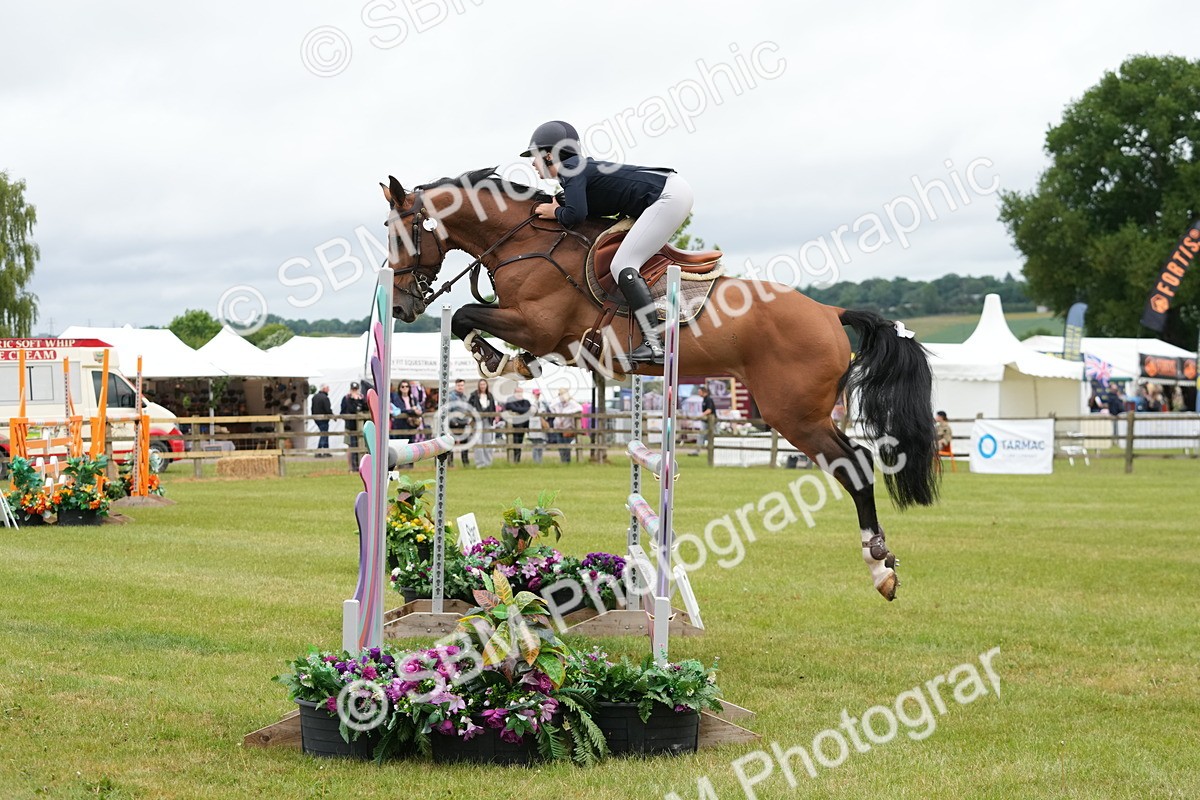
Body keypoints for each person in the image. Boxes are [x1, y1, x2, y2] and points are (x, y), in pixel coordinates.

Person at [523, 120, 694, 365]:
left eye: (535, 156)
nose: (532, 163)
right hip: (669, 191)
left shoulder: (571, 169)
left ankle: (654, 344)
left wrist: (555, 213)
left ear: (549, 155)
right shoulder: (575, 169)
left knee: (622, 263)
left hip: (668, 196)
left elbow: (575, 216)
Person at [468, 378, 499, 468]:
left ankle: (488, 463)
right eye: (481, 384)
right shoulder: (474, 395)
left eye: (484, 384)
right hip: (478, 421)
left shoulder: (490, 396)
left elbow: (493, 408)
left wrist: (492, 418)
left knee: (488, 441)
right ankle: (480, 463)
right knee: (478, 442)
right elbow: (469, 407)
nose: (482, 386)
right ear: (478, 385)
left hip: (488, 421)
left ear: (486, 385)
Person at [549, 387, 583, 464]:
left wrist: (568, 412)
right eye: (560, 394)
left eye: (563, 394)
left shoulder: (572, 403)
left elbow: (580, 408)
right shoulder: (557, 403)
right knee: (560, 445)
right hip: (558, 427)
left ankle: (567, 461)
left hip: (567, 428)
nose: (561, 396)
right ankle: (563, 460)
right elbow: (551, 406)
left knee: (567, 445)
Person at [340, 382, 366, 472]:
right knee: (351, 447)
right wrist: (353, 400)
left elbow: (365, 408)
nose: (354, 391)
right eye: (353, 389)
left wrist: (359, 400)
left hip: (361, 428)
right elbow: (348, 410)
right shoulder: (346, 398)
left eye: (356, 389)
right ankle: (352, 467)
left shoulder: (362, 398)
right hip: (350, 427)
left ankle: (361, 466)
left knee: (362, 446)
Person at [504, 386, 532, 464]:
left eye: (521, 392)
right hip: (512, 427)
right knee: (512, 444)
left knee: (519, 444)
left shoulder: (525, 401)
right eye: (518, 392)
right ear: (514, 393)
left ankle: (517, 461)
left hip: (522, 426)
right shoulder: (510, 400)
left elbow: (529, 409)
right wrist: (524, 410)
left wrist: (522, 410)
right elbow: (513, 408)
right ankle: (512, 461)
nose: (519, 394)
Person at [447, 378, 471, 467]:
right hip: (454, 424)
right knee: (451, 444)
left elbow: (467, 409)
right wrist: (453, 422)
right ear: (455, 385)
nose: (460, 387)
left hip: (463, 424)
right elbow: (448, 411)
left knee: (465, 444)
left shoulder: (465, 397)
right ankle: (450, 463)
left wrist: (468, 420)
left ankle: (466, 463)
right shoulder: (451, 396)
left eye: (462, 385)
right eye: (458, 385)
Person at [527, 388, 549, 464]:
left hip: (541, 426)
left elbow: (544, 413)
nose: (538, 395)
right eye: (536, 394)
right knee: (535, 445)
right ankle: (535, 461)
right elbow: (532, 412)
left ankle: (539, 461)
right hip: (534, 426)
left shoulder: (541, 403)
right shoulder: (531, 403)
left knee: (540, 445)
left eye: (539, 394)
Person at [693, 385, 716, 455]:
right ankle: (697, 451)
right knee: (701, 435)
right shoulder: (704, 399)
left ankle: (712, 452)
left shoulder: (708, 399)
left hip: (710, 422)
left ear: (704, 392)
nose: (698, 393)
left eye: (699, 392)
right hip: (705, 421)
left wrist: (700, 415)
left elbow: (709, 410)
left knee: (712, 436)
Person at [311, 384, 332, 457]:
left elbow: (312, 408)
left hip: (316, 418)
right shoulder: (325, 398)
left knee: (324, 433)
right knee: (324, 434)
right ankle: (319, 451)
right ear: (324, 389)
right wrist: (332, 415)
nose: (328, 389)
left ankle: (326, 450)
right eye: (327, 388)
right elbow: (327, 409)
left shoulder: (314, 397)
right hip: (324, 419)